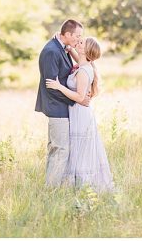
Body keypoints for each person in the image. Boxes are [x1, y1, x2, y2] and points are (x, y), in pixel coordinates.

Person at [46, 36, 114, 193]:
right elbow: (80, 62)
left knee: (81, 149)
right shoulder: (85, 65)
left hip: (80, 114)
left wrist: (58, 86)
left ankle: (84, 187)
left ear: (85, 50)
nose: (78, 42)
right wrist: (69, 50)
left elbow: (79, 97)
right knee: (79, 149)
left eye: (81, 43)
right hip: (78, 112)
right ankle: (77, 185)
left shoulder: (84, 71)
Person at [35, 19, 91, 187]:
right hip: (56, 108)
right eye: (77, 36)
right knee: (60, 150)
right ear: (67, 34)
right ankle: (51, 189)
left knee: (57, 149)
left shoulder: (63, 48)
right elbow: (51, 86)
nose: (80, 40)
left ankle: (53, 186)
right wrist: (76, 99)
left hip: (61, 107)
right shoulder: (52, 51)